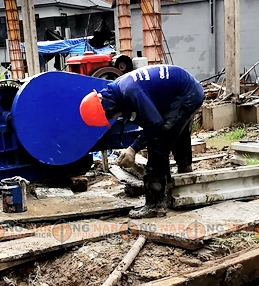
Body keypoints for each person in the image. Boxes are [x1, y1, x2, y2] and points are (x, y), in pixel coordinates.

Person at [80, 64, 204, 218]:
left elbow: (154, 124)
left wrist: (133, 148)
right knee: (174, 129)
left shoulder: (130, 92)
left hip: (188, 92)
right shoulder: (118, 90)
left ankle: (155, 205)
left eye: (109, 116)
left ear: (107, 107)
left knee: (157, 140)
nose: (113, 118)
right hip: (183, 89)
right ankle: (183, 173)